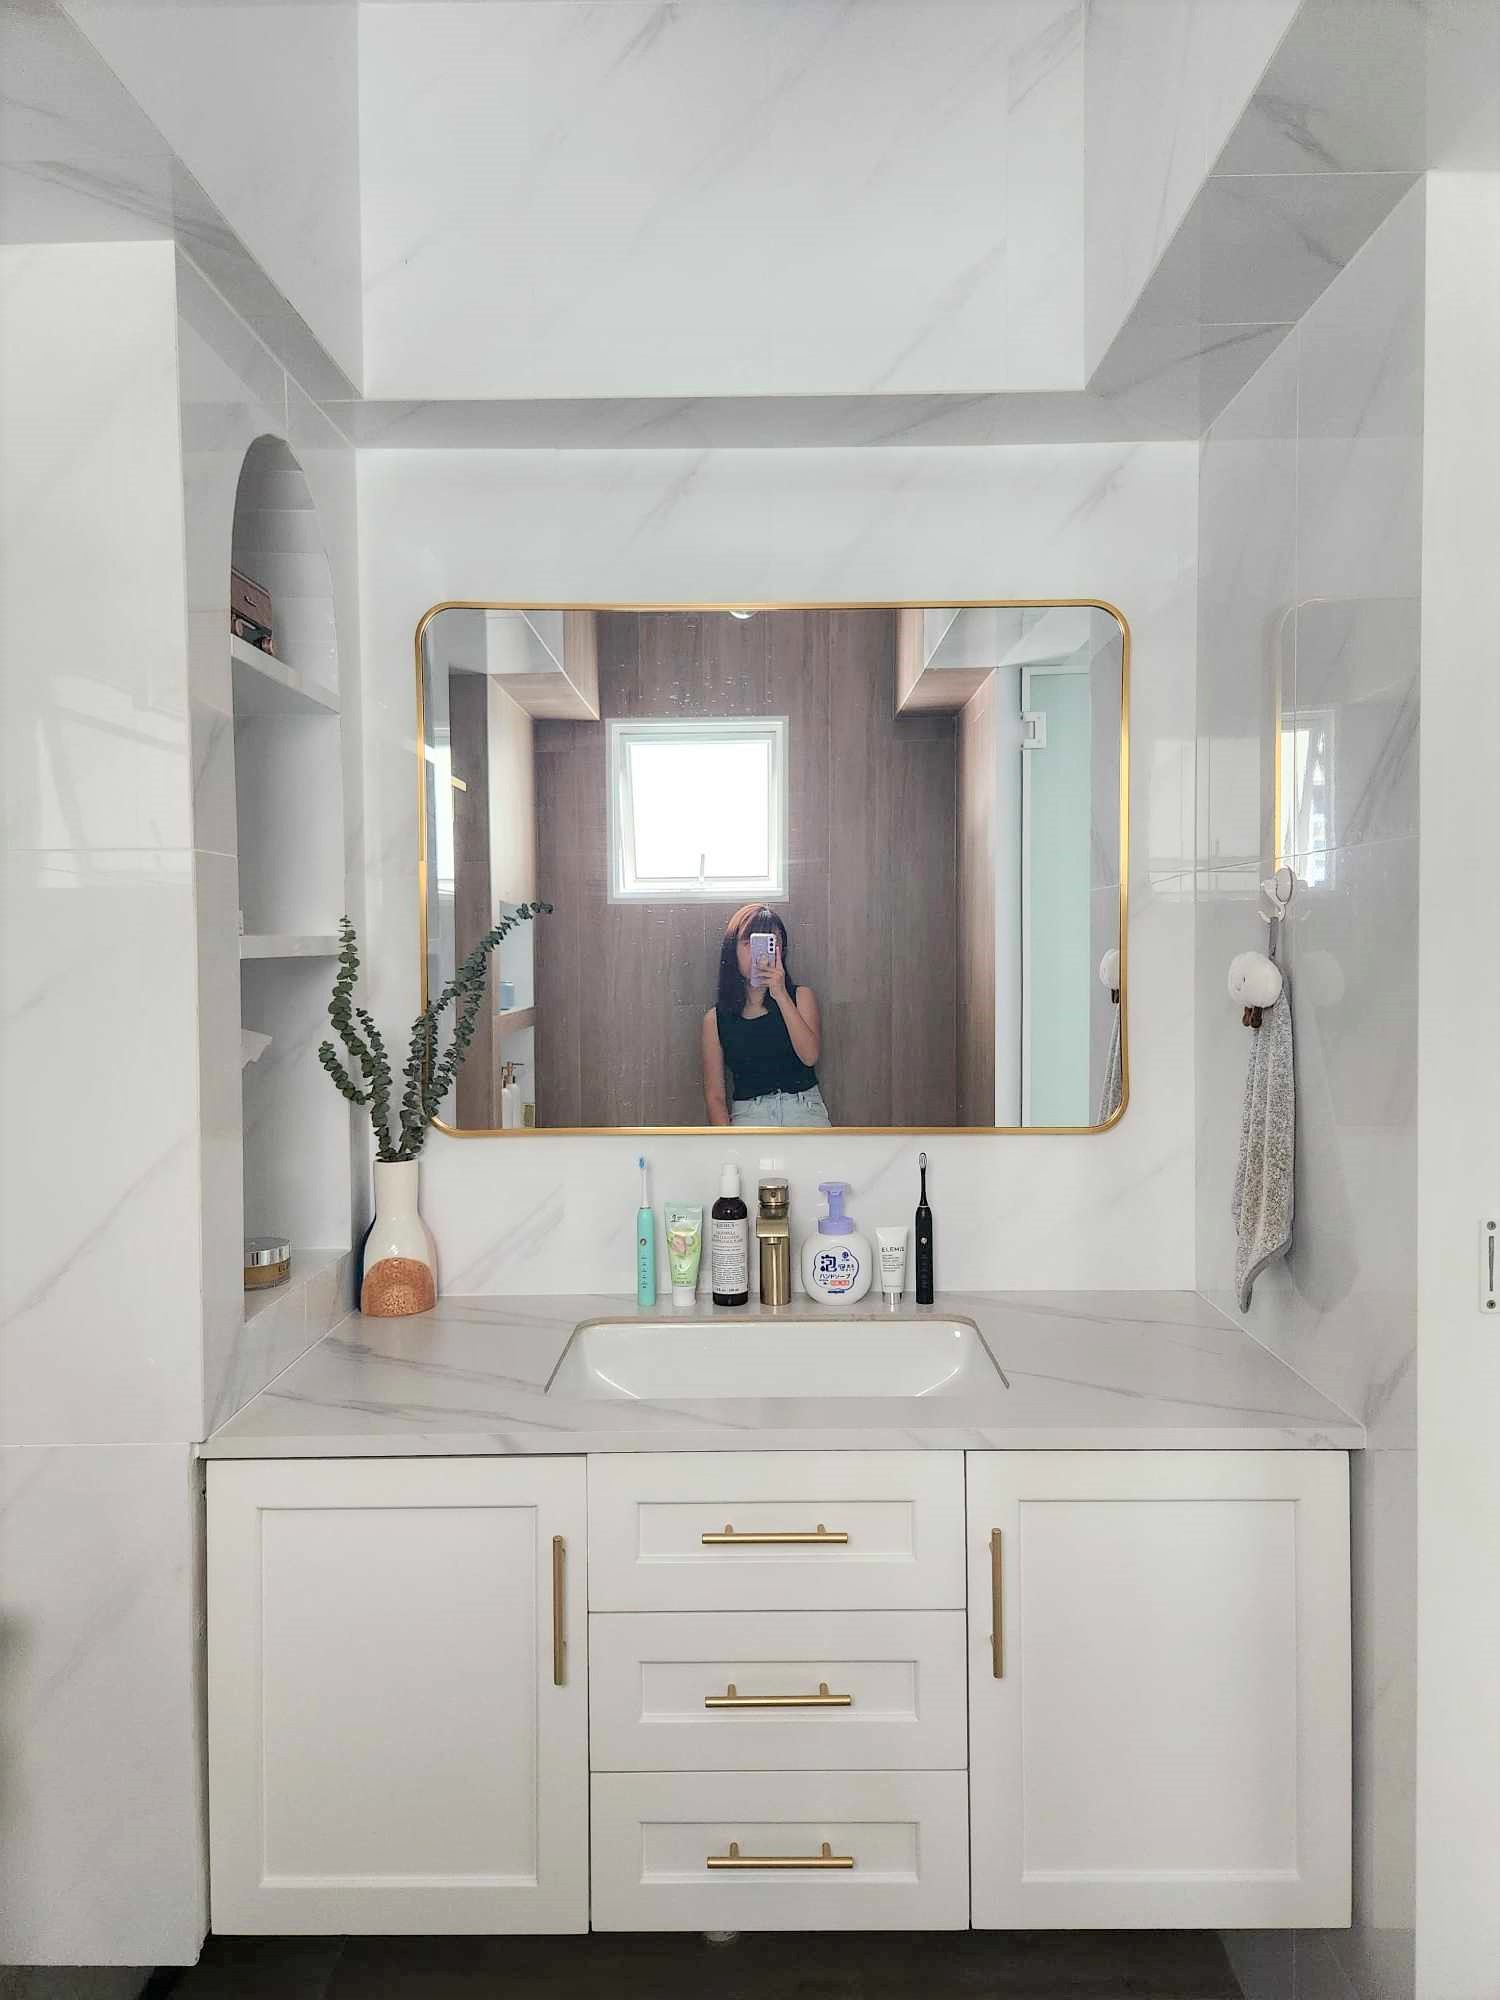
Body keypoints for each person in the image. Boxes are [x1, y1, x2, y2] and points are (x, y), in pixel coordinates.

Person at [701, 905, 831, 1126]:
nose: (760, 954)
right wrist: (726, 1146)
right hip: (750, 1116)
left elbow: (810, 1056)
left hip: (804, 1109)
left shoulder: (800, 997)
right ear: (733, 950)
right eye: (749, 943)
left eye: (772, 943)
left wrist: (780, 993)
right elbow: (715, 1098)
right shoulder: (715, 1020)